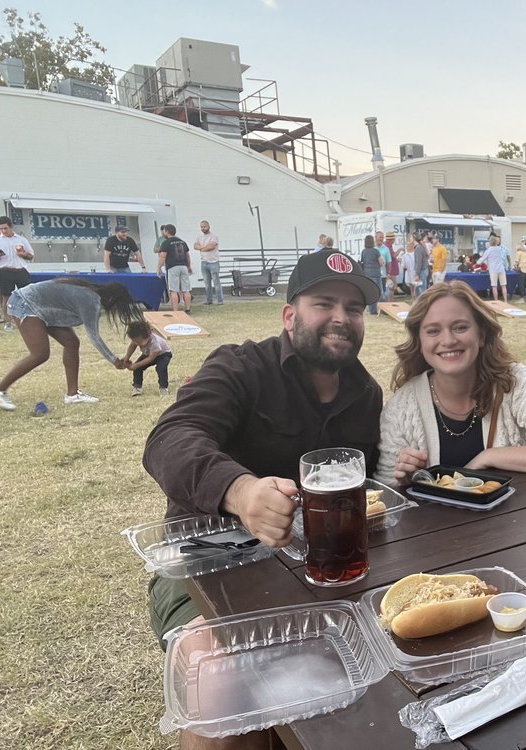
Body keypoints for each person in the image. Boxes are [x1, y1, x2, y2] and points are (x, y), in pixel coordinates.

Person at [142, 249, 382, 750]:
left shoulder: (366, 393)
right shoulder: (240, 366)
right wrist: (240, 490)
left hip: (318, 568)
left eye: (354, 308)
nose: (341, 317)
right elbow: (169, 440)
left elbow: (370, 488)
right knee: (223, 683)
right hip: (207, 559)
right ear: (290, 315)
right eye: (324, 303)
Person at [376, 281, 526, 485]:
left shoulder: (514, 382)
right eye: (433, 331)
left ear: (481, 335)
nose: (448, 340)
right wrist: (407, 482)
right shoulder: (401, 409)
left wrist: (489, 457)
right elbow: (385, 493)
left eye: (460, 327)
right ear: (420, 341)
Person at [0, 279, 141, 411]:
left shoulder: (90, 293)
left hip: (40, 308)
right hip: (24, 303)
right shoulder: (91, 301)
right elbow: (94, 337)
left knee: (71, 343)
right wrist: (115, 361)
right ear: (112, 299)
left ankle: (72, 395)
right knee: (40, 354)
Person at [0, 216, 34, 332]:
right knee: (6, 298)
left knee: (26, 296)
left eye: (5, 228)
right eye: (1, 229)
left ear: (11, 227)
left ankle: (28, 319)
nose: (3, 231)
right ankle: (8, 322)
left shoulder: (21, 239)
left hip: (20, 270)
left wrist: (23, 254)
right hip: (5, 271)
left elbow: (31, 255)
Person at [122, 319, 172, 396]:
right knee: (138, 368)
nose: (136, 343)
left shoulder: (155, 343)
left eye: (138, 342)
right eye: (134, 341)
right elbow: (132, 346)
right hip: (149, 353)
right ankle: (137, 387)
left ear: (147, 335)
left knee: (161, 368)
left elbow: (150, 358)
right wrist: (126, 358)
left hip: (163, 354)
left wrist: (135, 365)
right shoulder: (137, 339)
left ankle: (163, 387)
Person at [156, 224, 193, 313]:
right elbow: (187, 256)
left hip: (172, 267)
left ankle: (175, 310)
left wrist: (158, 267)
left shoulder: (166, 243)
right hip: (183, 266)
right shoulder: (182, 242)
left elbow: (163, 256)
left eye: (164, 231)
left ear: (166, 231)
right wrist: (189, 266)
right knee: (186, 289)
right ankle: (188, 308)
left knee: (173, 290)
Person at [193, 220, 223, 306]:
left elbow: (211, 246)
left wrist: (202, 248)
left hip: (214, 262)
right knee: (207, 283)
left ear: (209, 226)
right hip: (204, 262)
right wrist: (203, 247)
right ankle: (209, 300)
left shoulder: (213, 236)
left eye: (204, 227)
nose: (203, 228)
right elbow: (195, 246)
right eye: (201, 227)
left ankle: (220, 300)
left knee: (216, 282)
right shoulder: (199, 237)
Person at [360, 234, 383, 315]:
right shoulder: (376, 251)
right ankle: (382, 309)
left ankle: (372, 310)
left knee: (370, 292)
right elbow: (381, 262)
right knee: (379, 292)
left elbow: (362, 261)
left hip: (367, 274)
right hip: (376, 273)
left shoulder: (363, 251)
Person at [481, 235, 509, 302]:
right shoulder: (501, 249)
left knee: (494, 286)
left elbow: (482, 259)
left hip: (493, 269)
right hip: (501, 268)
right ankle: (505, 300)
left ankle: (496, 300)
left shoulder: (489, 250)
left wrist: (479, 260)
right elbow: (504, 258)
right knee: (503, 285)